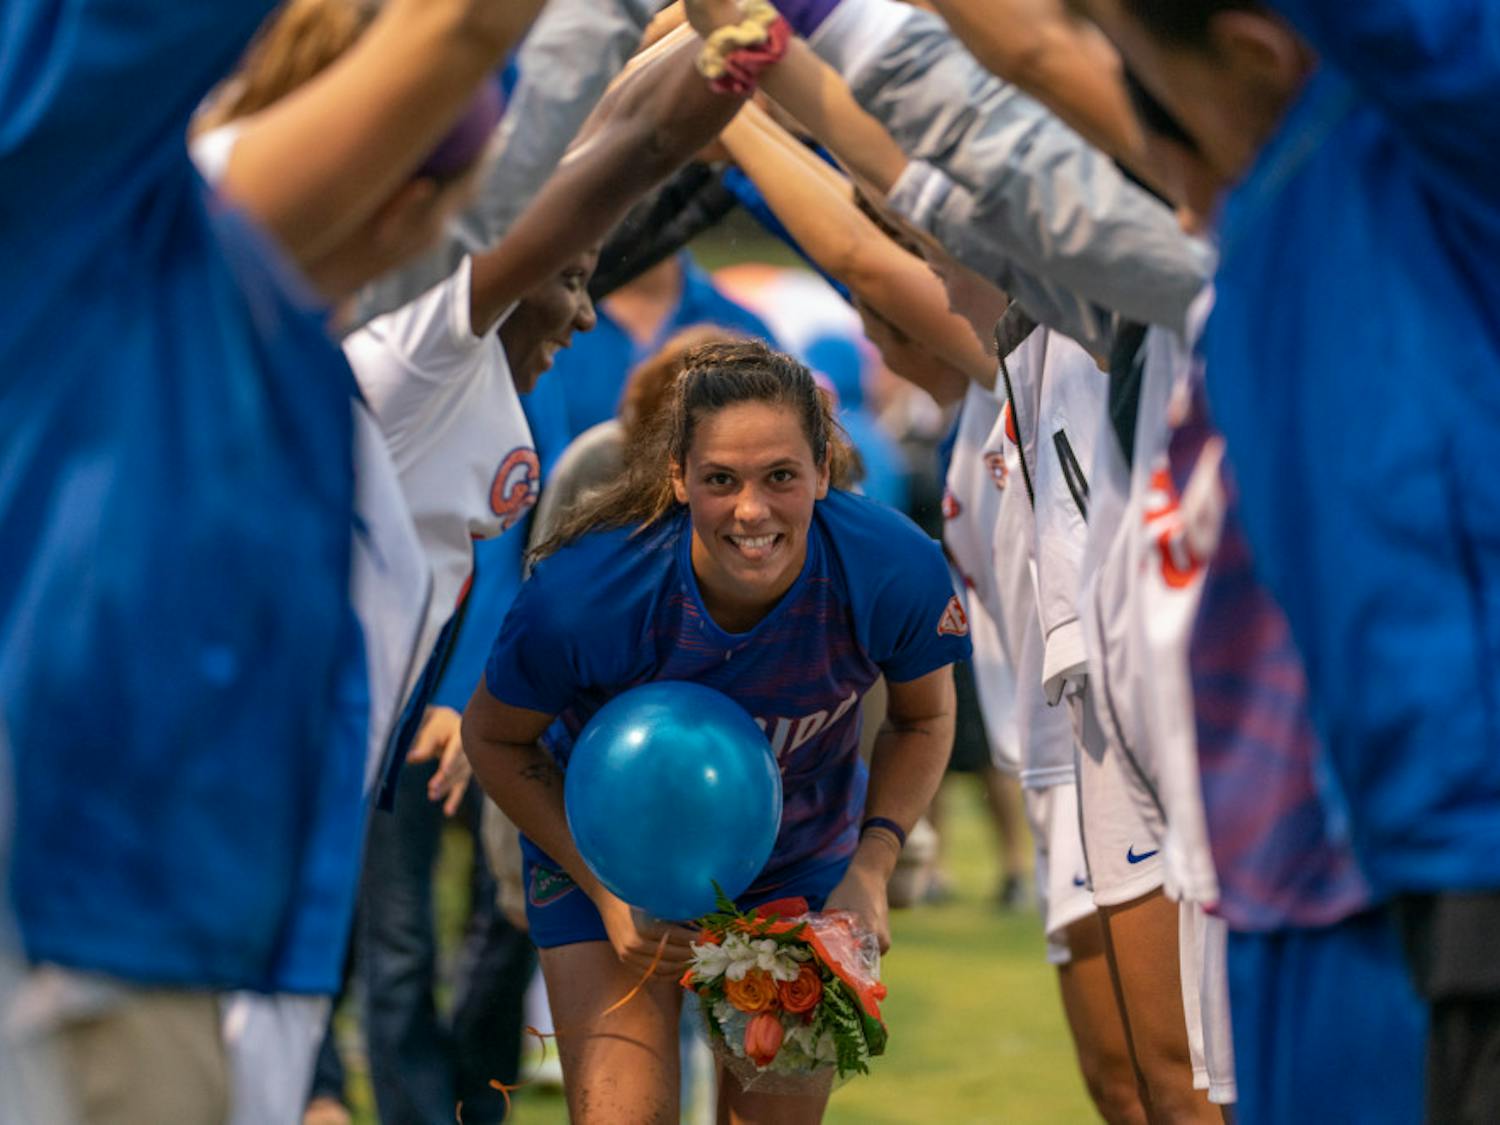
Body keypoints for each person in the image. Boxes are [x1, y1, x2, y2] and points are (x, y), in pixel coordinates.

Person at [1074, 1, 1500, 1119]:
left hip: (1454, 843)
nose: (1170, 190)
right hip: (1369, 853)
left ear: (1263, 50)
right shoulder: (1270, 234)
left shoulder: (1443, 139)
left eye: (1172, 136)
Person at [463, 340, 969, 1124]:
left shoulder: (891, 567)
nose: (751, 510)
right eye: (720, 480)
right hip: (604, 851)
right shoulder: (586, 593)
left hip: (797, 859)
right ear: (678, 478)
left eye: (781, 477)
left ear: (824, 470)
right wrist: (603, 887)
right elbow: (494, 739)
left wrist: (873, 863)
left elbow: (926, 716)